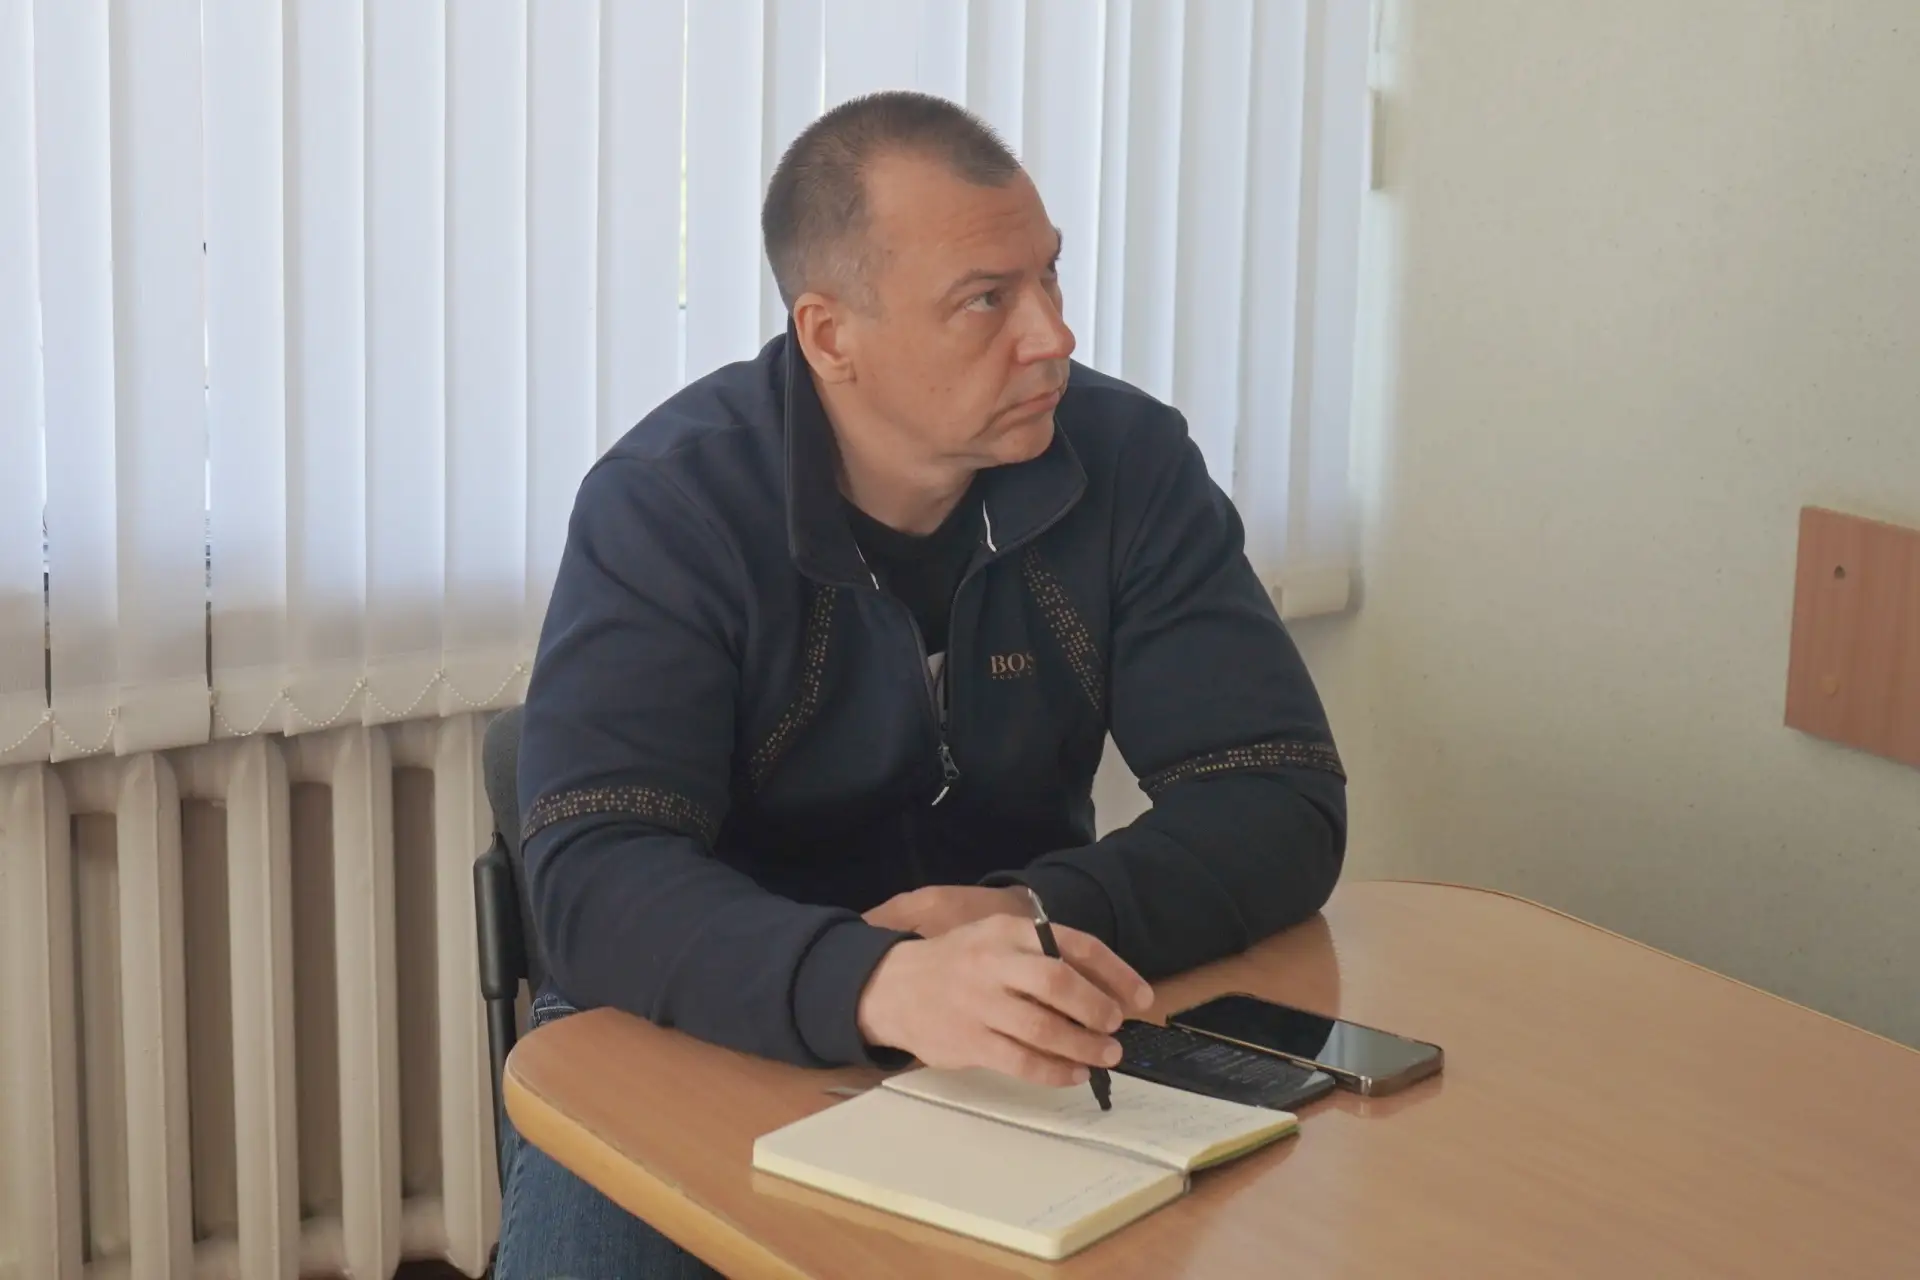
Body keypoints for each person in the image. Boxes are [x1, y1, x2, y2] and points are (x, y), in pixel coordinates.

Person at [492, 89, 1346, 1280]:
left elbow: (1274, 791)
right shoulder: (670, 502)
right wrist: (878, 979)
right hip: (697, 1011)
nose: (1052, 335)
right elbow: (594, 873)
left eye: (1050, 276)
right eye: (987, 299)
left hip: (1021, 1000)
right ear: (830, 335)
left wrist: (1025, 913)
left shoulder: (1129, 462)